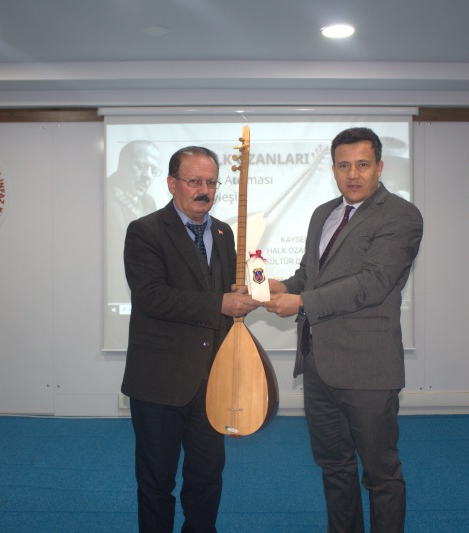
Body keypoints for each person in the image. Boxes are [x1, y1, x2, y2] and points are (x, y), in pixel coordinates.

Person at [262, 127, 423, 533]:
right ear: (333, 169)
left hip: (369, 370)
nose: (353, 174)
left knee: (381, 474)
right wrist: (283, 286)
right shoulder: (323, 213)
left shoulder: (401, 215)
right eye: (344, 165)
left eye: (363, 164)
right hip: (318, 365)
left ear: (380, 167)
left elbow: (373, 283)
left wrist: (302, 302)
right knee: (334, 466)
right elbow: (310, 275)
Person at [122, 145, 261, 533]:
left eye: (212, 182)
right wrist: (221, 302)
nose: (204, 190)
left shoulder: (223, 231)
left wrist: (243, 295)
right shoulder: (145, 231)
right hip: (159, 381)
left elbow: (223, 291)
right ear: (172, 184)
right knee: (157, 482)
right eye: (195, 181)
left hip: (214, 377)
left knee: (207, 476)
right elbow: (152, 297)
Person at [107, 141, 161, 305]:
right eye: (141, 166)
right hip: (110, 291)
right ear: (122, 164)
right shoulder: (102, 194)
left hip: (143, 293)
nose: (147, 177)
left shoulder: (148, 202)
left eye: (153, 170)